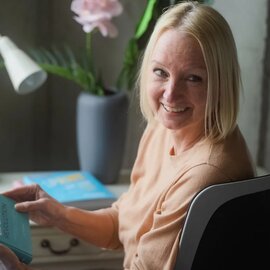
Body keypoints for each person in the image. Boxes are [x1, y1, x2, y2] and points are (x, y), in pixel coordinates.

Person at [0, 1, 255, 270]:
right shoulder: (163, 128)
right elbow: (122, 223)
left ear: (220, 81)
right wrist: (58, 214)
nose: (170, 94)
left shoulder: (206, 172)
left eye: (193, 78)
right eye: (161, 72)